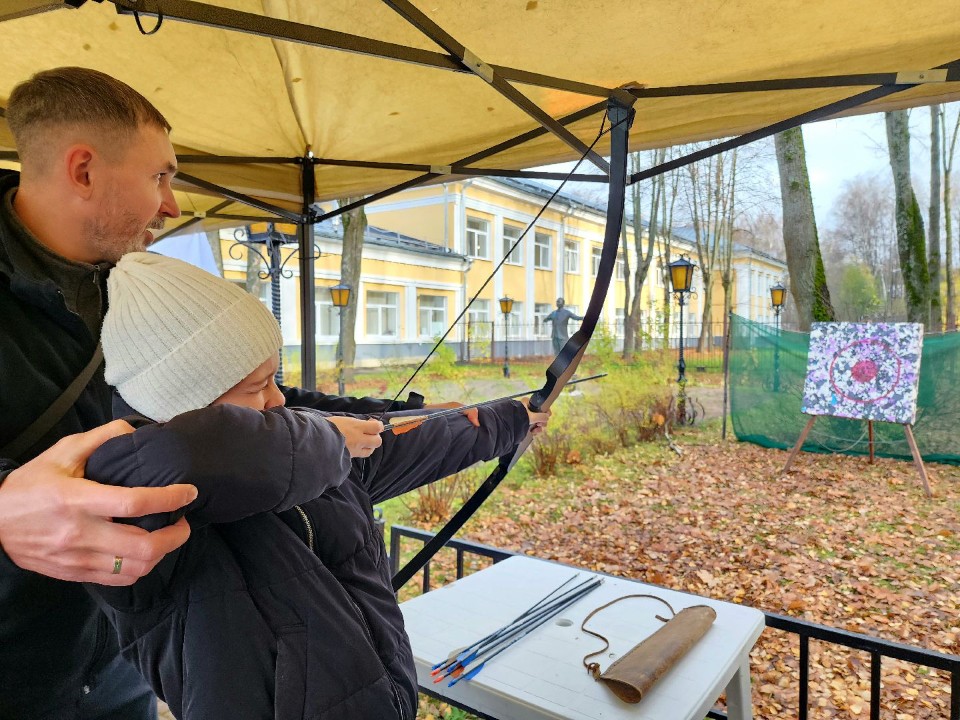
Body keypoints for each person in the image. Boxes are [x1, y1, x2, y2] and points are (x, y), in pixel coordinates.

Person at [0, 67, 436, 720]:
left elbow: (247, 398)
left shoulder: (141, 287)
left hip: (116, 664)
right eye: (160, 177)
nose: (173, 204)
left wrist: (395, 418)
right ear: (84, 170)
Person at [83, 252, 550, 720]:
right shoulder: (128, 501)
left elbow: (392, 442)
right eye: (257, 386)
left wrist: (506, 420)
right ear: (184, 401)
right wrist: (326, 439)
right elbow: (181, 455)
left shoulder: (305, 447)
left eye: (275, 378)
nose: (278, 398)